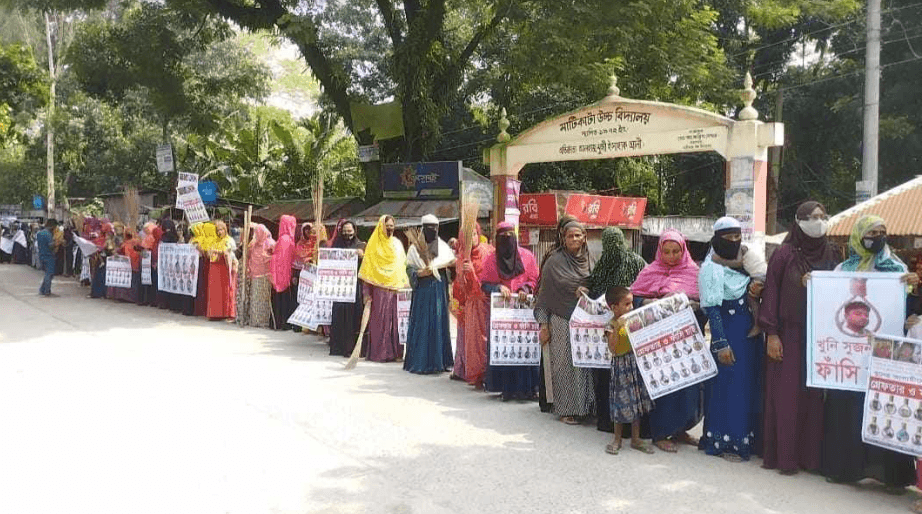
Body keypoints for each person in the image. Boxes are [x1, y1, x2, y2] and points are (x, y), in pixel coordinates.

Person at [823, 214, 919, 491]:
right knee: (848, 408)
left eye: (882, 231)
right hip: (849, 357)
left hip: (882, 357)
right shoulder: (843, 269)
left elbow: (907, 309)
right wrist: (813, 283)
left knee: (884, 408)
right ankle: (845, 470)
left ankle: (892, 476)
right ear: (859, 235)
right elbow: (830, 303)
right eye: (872, 232)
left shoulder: (897, 269)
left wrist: (914, 290)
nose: (877, 237)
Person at [759, 201, 839, 475]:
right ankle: (786, 458)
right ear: (799, 221)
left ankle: (811, 459)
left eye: (822, 216)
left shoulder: (832, 252)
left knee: (815, 398)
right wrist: (772, 334)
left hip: (821, 337)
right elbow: (771, 293)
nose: (819, 222)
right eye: (812, 217)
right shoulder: (784, 255)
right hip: (789, 335)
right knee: (787, 397)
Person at [630, 228, 704, 452]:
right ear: (660, 252)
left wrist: (693, 304)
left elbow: (705, 302)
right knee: (664, 385)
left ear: (684, 251)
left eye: (676, 251)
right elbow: (633, 298)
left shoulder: (694, 272)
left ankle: (681, 429)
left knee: (688, 385)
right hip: (659, 343)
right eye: (667, 252)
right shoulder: (650, 271)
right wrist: (648, 302)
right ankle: (661, 433)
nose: (671, 256)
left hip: (686, 341)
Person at [697, 216, 762, 462]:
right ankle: (724, 441)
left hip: (749, 335)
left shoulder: (746, 264)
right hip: (728, 333)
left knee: (746, 386)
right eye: (728, 238)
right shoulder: (710, 269)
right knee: (727, 387)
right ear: (717, 239)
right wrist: (721, 344)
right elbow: (712, 309)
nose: (734, 242)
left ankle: (746, 439)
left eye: (737, 237)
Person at [535, 220, 594, 424]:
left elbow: (597, 285)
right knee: (563, 366)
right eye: (570, 236)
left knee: (584, 366)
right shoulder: (554, 261)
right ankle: (566, 409)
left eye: (578, 235)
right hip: (560, 320)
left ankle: (584, 408)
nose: (574, 239)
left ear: (584, 237)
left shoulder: (590, 259)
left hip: (584, 321)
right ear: (563, 238)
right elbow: (544, 295)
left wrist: (588, 290)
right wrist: (544, 325)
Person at [588, 226, 647, 433]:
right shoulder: (603, 265)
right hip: (607, 326)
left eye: (616, 242)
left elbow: (645, 287)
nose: (614, 247)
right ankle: (609, 423)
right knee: (607, 379)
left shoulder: (637, 262)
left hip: (631, 327)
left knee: (632, 382)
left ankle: (634, 430)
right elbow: (592, 285)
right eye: (609, 243)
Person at [482, 222, 540, 400]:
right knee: (505, 347)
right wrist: (498, 287)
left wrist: (525, 288)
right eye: (503, 237)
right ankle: (505, 388)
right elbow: (484, 284)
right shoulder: (490, 260)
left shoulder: (527, 256)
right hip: (502, 316)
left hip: (523, 314)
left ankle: (527, 389)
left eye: (510, 236)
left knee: (524, 346)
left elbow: (535, 279)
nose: (507, 240)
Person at [604, 286, 654, 455]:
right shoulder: (610, 325)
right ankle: (617, 439)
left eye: (631, 303)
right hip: (621, 366)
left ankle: (636, 438)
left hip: (635, 363)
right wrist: (618, 326)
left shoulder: (633, 319)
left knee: (636, 400)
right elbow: (613, 349)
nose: (631, 307)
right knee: (620, 401)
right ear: (614, 307)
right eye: (626, 304)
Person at [404, 214, 456, 374]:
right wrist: (420, 273)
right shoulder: (414, 248)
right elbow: (409, 269)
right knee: (422, 323)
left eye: (434, 227)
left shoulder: (444, 247)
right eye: (428, 227)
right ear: (422, 228)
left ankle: (440, 362)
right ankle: (420, 361)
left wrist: (449, 266)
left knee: (438, 323)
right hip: (422, 291)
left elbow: (450, 267)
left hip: (439, 290)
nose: (431, 230)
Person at [358, 215, 410, 362]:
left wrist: (406, 286)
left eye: (392, 226)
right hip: (379, 292)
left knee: (396, 324)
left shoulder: (398, 244)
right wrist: (366, 293)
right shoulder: (374, 245)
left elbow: (402, 266)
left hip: (396, 290)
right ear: (381, 227)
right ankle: (380, 354)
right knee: (379, 324)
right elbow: (367, 270)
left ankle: (396, 353)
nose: (390, 229)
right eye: (387, 226)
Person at [451, 223, 494, 385]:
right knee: (474, 342)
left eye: (475, 234)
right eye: (469, 236)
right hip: (472, 304)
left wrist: (473, 273)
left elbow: (491, 279)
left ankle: (490, 374)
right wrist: (465, 273)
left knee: (488, 339)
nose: (473, 238)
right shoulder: (462, 258)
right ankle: (477, 375)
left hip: (487, 301)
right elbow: (462, 287)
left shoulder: (488, 252)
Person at [329, 220, 367, 357]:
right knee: (339, 315)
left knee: (354, 316)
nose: (347, 234)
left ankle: (353, 348)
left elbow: (368, 262)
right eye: (344, 231)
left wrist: (362, 255)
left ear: (355, 231)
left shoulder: (361, 245)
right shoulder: (336, 245)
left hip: (355, 287)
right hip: (339, 288)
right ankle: (337, 347)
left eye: (350, 231)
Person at [239, 223, 276, 328]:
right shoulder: (253, 244)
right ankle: (255, 321)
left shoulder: (270, 243)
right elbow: (248, 256)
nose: (256, 235)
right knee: (255, 298)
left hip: (265, 275)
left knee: (264, 299)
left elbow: (275, 256)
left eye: (258, 232)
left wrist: (267, 258)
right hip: (255, 274)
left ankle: (263, 321)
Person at [270, 215, 298, 330]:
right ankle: (283, 323)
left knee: (279, 299)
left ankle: (279, 323)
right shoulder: (287, 240)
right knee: (285, 299)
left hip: (279, 274)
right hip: (285, 274)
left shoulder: (282, 239)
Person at [205, 220, 237, 320]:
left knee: (225, 290)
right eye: (218, 230)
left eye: (221, 230)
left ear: (225, 229)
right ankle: (214, 314)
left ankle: (225, 313)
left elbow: (228, 251)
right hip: (214, 267)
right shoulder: (214, 241)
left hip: (224, 267)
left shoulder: (229, 240)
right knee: (215, 291)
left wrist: (217, 251)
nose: (219, 232)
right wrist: (210, 252)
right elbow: (208, 252)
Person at [138, 221, 162, 307]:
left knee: (151, 282)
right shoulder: (147, 237)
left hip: (151, 263)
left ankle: (150, 300)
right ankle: (146, 299)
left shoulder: (153, 238)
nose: (145, 230)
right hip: (146, 262)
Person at [36, 219, 58, 296]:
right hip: (49, 256)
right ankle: (47, 291)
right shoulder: (48, 234)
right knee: (49, 274)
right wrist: (56, 243)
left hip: (41, 255)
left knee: (47, 273)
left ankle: (42, 290)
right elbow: (50, 245)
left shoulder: (39, 233)